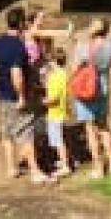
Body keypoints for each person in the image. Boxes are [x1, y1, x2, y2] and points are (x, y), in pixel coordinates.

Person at [0, 6, 52, 184]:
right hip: (14, 95)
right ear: (21, 23)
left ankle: (11, 168)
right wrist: (21, 96)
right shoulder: (18, 46)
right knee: (26, 132)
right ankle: (35, 172)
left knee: (7, 133)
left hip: (1, 93)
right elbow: (16, 74)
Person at [72, 17, 111, 178]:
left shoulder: (84, 47)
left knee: (90, 130)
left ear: (95, 29)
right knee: (104, 127)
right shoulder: (110, 46)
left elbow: (75, 67)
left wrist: (77, 45)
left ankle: (98, 168)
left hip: (87, 91)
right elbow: (106, 65)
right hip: (102, 89)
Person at [43, 46, 73, 177]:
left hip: (54, 112)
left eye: (50, 61)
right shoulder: (63, 74)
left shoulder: (54, 77)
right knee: (60, 138)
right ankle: (64, 160)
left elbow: (53, 99)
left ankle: (65, 165)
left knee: (57, 141)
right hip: (62, 110)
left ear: (54, 61)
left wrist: (41, 102)